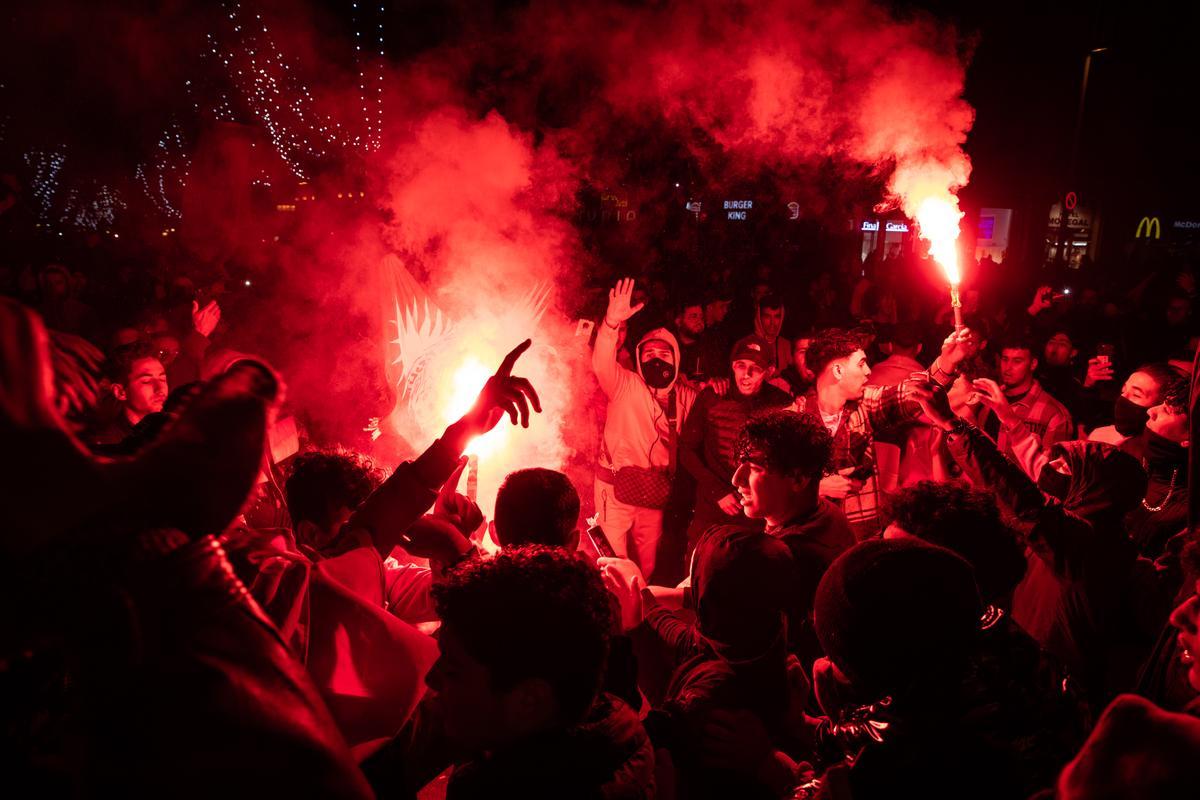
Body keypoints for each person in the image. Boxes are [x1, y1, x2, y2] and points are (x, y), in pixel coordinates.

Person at [362, 546, 654, 799]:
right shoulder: (612, 728)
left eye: (454, 671)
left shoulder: (488, 791)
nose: (432, 679)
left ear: (529, 700)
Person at [811, 539, 1023, 799]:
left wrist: (838, 719)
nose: (826, 662)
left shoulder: (888, 773)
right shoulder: (1015, 664)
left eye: (835, 657)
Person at [602, 525, 803, 798]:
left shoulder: (710, 696)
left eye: (695, 577)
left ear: (709, 598)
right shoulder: (762, 628)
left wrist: (624, 636)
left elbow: (639, 739)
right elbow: (690, 641)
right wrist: (644, 600)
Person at [794, 325, 975, 538]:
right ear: (838, 371)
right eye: (861, 364)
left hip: (862, 533)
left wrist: (947, 362)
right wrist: (819, 488)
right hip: (811, 535)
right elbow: (768, 488)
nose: (869, 371)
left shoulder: (866, 404)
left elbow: (913, 395)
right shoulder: (794, 419)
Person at [730, 410, 855, 664]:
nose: (736, 479)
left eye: (754, 468)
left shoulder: (788, 556)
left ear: (798, 479)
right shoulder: (825, 513)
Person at [593, 278, 698, 581]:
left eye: (664, 354)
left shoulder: (687, 396)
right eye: (648, 354)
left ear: (676, 359)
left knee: (649, 563)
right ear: (638, 358)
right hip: (614, 491)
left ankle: (641, 615)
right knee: (611, 564)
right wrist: (612, 323)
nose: (655, 359)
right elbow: (602, 363)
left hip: (653, 493)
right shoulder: (624, 384)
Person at [679, 334, 792, 544]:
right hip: (713, 510)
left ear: (768, 371)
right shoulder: (712, 398)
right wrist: (717, 491)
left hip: (757, 514)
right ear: (732, 365)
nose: (746, 374)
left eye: (756, 368)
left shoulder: (780, 404)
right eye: (741, 365)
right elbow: (686, 450)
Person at [972, 330, 1072, 459]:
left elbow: (1052, 473)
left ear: (1033, 364)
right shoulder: (987, 401)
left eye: (1017, 361)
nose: (1008, 367)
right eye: (1005, 359)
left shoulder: (1054, 414)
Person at [1124, 374, 1191, 559]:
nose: (1150, 411)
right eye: (1160, 404)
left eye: (1167, 411)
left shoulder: (1188, 506)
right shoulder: (1128, 452)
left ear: (1189, 436)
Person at [86, 341, 168, 447]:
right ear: (120, 392)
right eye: (147, 381)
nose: (160, 388)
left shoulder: (171, 432)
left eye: (162, 379)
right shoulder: (108, 443)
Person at [1089, 362, 1180, 447]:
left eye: (1136, 395)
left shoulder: (1157, 452)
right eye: (1123, 391)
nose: (1123, 397)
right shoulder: (1099, 437)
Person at [752, 293, 792, 371]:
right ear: (759, 318)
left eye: (777, 317)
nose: (772, 323)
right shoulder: (747, 343)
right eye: (767, 316)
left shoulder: (786, 345)